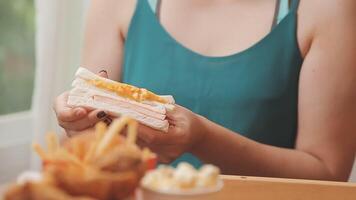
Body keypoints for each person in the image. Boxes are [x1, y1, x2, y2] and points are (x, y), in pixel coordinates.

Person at [53, 0, 356, 181]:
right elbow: (92, 146)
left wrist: (204, 138)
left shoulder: (326, 9)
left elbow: (328, 176)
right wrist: (81, 129)